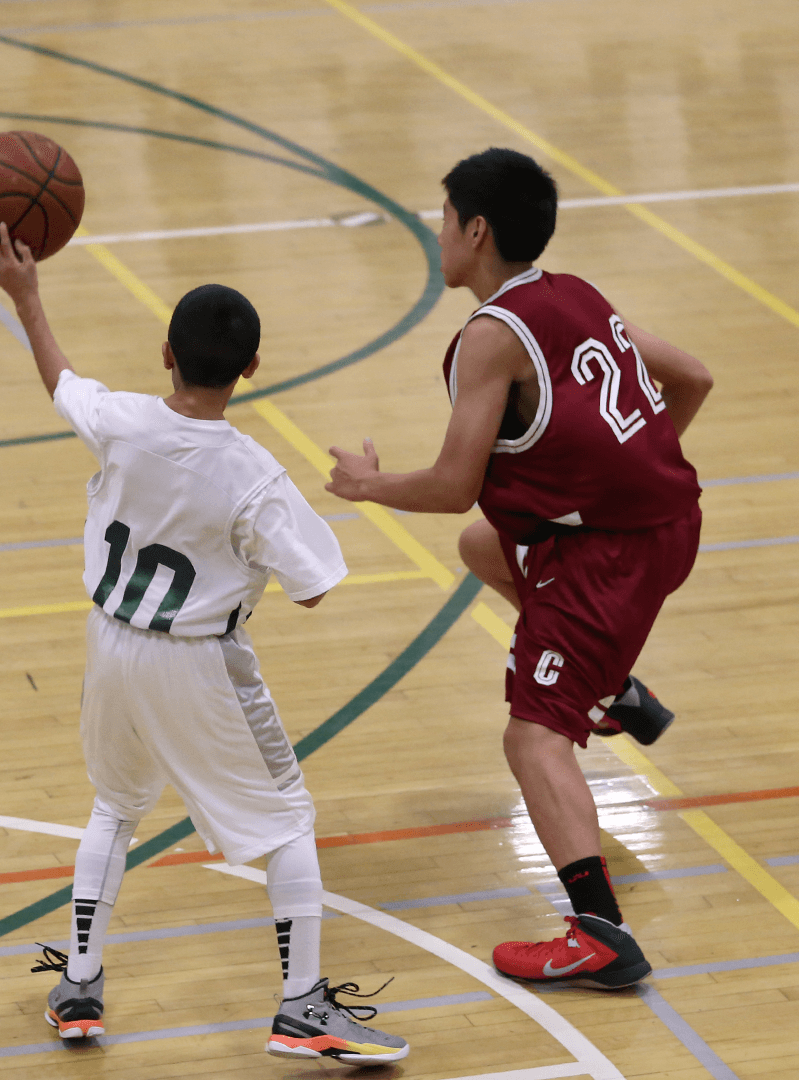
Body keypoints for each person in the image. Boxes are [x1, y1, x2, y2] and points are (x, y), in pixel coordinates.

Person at [0, 221, 410, 1065]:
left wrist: (26, 295)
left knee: (115, 806)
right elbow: (315, 587)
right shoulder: (254, 475)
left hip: (110, 645)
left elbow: (61, 380)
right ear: (252, 367)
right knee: (287, 820)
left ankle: (81, 985)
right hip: (199, 662)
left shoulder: (121, 422)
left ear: (165, 354)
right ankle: (302, 1007)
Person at [324, 148, 713, 989]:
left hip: (611, 556)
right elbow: (692, 377)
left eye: (443, 218)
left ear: (476, 230)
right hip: (668, 524)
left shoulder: (490, 339)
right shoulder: (574, 295)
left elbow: (453, 486)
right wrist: (633, 470)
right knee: (484, 549)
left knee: (533, 737)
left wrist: (369, 486)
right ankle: (610, 688)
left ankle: (599, 933)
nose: (436, 233)